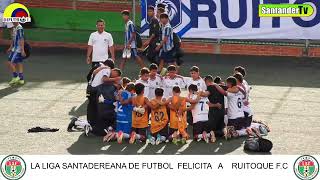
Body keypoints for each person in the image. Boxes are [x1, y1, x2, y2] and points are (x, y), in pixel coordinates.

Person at [202, 75, 227, 140]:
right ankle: (225, 132)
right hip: (222, 110)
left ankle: (212, 135)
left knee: (210, 127)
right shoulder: (219, 86)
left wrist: (196, 92)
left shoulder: (210, 87)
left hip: (213, 111)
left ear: (206, 81)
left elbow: (205, 94)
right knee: (221, 126)